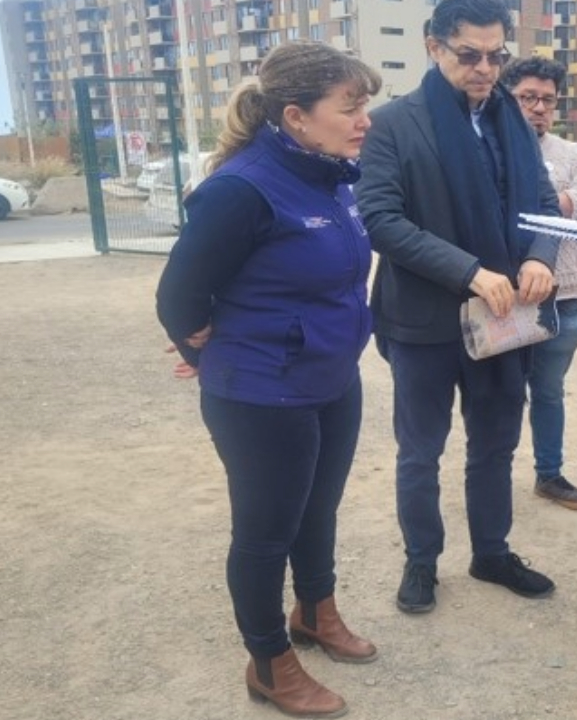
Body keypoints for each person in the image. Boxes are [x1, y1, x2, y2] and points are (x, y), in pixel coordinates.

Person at [155, 41, 382, 718]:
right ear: (296, 116)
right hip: (262, 393)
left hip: (331, 378)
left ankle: (315, 612)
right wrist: (199, 349)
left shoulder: (330, 176)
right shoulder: (242, 189)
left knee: (318, 508)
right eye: (350, 106)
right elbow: (178, 296)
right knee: (264, 532)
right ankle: (269, 661)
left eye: (365, 105)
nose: (364, 119)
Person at [354, 0, 562, 615]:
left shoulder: (511, 118)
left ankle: (491, 552)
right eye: (470, 55)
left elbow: (543, 202)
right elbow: (381, 220)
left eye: (497, 56)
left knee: (496, 444)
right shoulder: (392, 124)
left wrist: (540, 257)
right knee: (421, 451)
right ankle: (421, 561)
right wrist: (469, 272)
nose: (485, 69)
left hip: (505, 317)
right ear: (433, 46)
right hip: (424, 321)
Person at [499, 56, 577, 511]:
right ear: (507, 98)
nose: (539, 107)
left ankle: (549, 474)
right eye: (527, 97)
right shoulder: (488, 148)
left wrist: (532, 201)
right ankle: (492, 475)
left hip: (561, 298)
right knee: (499, 395)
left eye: (547, 99)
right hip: (501, 297)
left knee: (548, 392)